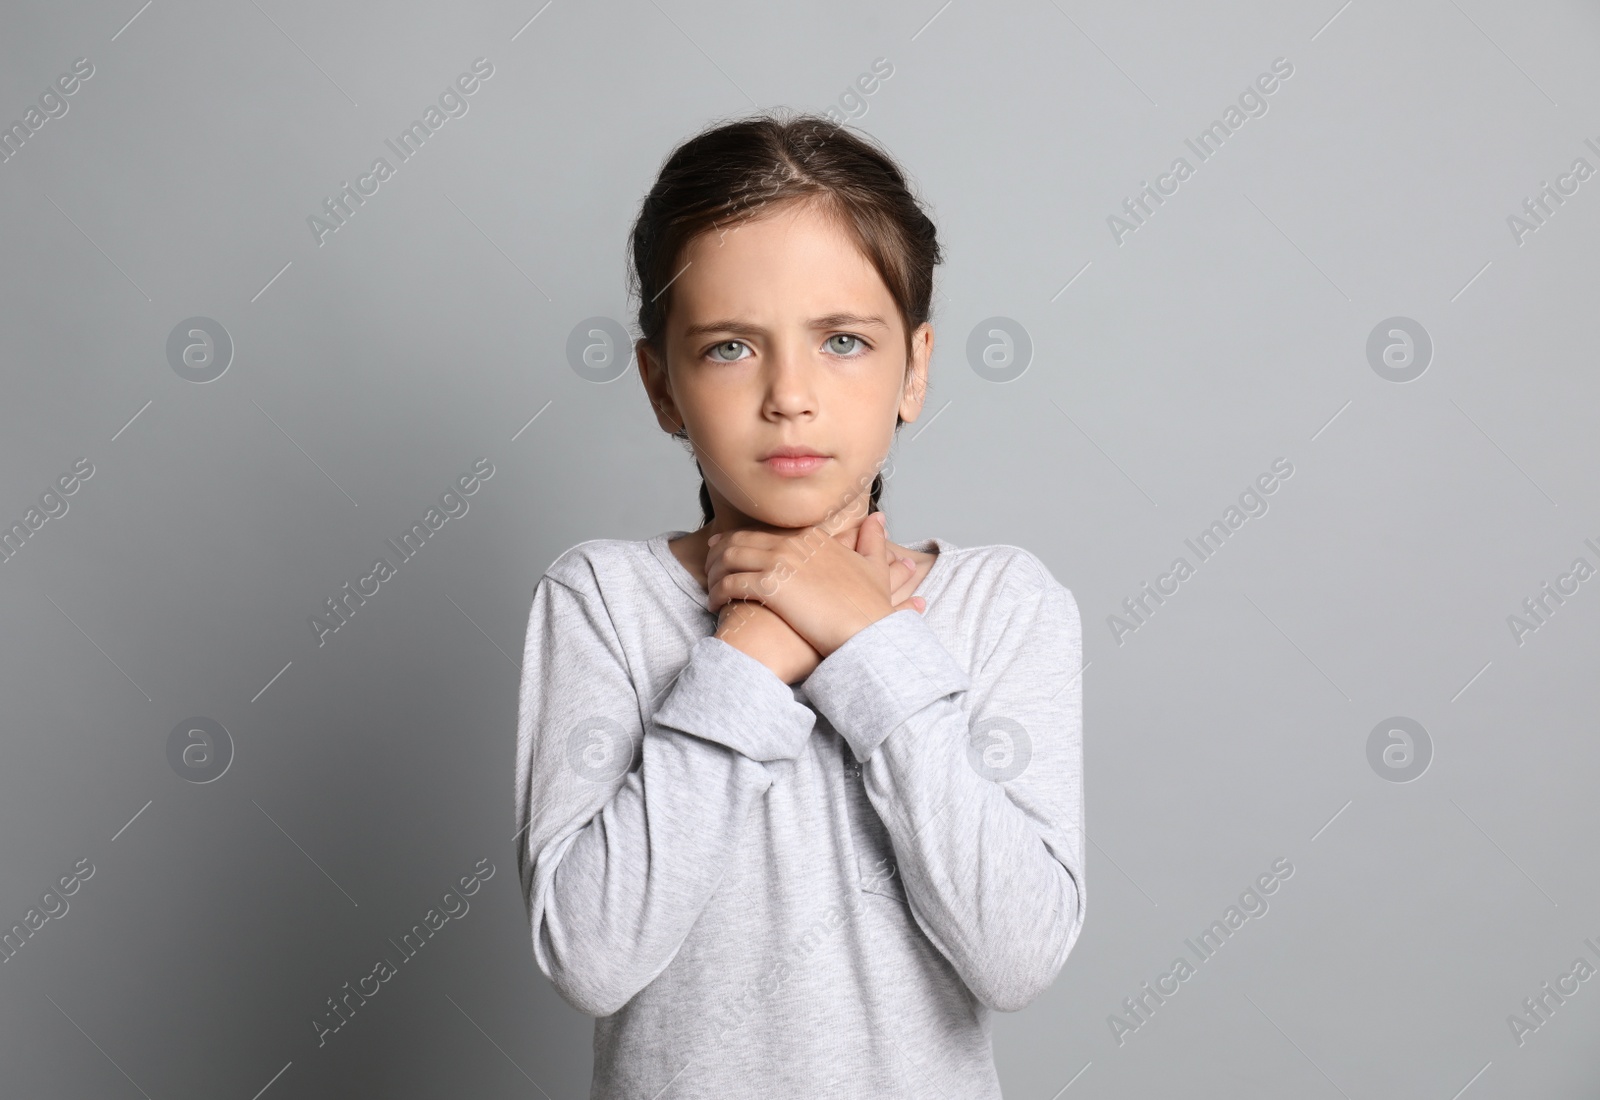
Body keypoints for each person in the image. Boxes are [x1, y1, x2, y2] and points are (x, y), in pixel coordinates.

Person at [514, 110, 1085, 1098]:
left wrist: (870, 643)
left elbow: (1017, 953)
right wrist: (745, 655)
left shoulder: (1004, 605)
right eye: (731, 346)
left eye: (843, 342)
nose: (790, 393)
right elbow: (589, 957)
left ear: (913, 367)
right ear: (661, 384)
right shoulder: (602, 600)